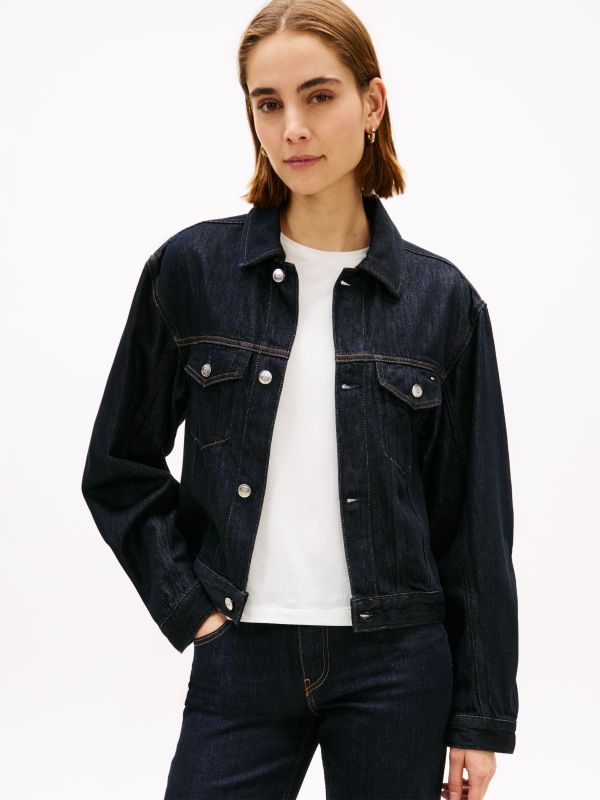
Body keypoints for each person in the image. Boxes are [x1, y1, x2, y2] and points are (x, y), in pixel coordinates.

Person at [81, 1, 519, 798]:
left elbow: (475, 524)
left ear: (372, 103)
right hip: (241, 655)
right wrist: (192, 609)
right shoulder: (193, 271)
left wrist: (479, 719)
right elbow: (118, 466)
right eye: (268, 103)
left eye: (319, 96)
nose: (293, 129)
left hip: (398, 664)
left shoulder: (441, 300)